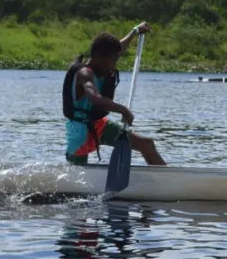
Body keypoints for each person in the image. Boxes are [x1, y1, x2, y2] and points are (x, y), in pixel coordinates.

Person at [62, 24, 166, 167]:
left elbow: (119, 48)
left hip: (100, 125)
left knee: (146, 144)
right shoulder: (84, 73)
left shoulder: (102, 63)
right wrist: (124, 110)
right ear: (98, 57)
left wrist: (135, 31)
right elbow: (96, 99)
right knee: (77, 174)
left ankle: (164, 182)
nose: (115, 64)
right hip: (79, 133)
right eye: (113, 60)